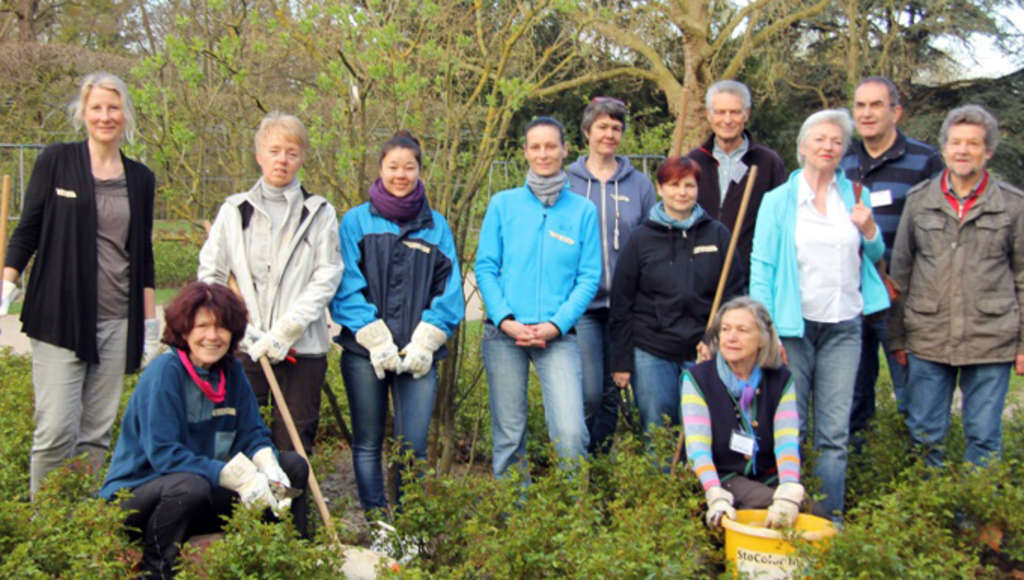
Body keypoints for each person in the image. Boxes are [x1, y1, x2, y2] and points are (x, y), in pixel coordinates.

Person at [1, 72, 158, 496]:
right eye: (97, 108)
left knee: (95, 434)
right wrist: (8, 283)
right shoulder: (56, 161)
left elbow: (142, 255)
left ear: (125, 114)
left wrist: (149, 325)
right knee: (54, 431)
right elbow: (27, 229)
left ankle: (82, 525)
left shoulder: (140, 178)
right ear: (82, 113)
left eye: (113, 107)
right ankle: (45, 526)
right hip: (58, 315)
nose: (105, 116)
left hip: (115, 319)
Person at [100, 281, 309, 579]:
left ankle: (292, 560)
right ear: (184, 330)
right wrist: (240, 477)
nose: (212, 336)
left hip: (199, 493)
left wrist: (268, 467)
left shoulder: (231, 371)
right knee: (189, 484)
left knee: (293, 467)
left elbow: (252, 432)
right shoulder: (165, 373)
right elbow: (165, 456)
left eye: (222, 327)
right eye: (202, 326)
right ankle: (156, 569)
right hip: (144, 499)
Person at [750, 108, 890, 521]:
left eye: (836, 142)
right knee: (793, 427)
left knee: (834, 432)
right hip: (793, 329)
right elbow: (762, 266)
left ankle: (829, 520)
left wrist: (870, 231)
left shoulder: (855, 196)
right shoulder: (779, 201)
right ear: (801, 148)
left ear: (843, 151)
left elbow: (875, 256)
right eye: (820, 140)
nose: (828, 147)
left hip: (844, 326)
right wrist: (766, 329)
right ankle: (788, 513)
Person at [329, 131, 464, 514]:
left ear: (420, 171)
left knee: (413, 445)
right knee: (368, 442)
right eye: (393, 167)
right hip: (363, 354)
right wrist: (374, 337)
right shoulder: (355, 222)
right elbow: (345, 285)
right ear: (380, 169)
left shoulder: (437, 227)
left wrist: (425, 341)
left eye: (409, 167)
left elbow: (450, 289)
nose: (400, 174)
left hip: (417, 358)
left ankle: (411, 525)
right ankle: (379, 524)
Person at [198, 112, 343, 455]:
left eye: (291, 152)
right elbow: (211, 274)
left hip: (301, 349)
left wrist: (286, 331)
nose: (282, 160)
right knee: (238, 437)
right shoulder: (234, 211)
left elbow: (328, 275)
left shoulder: (320, 213)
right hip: (244, 347)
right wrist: (241, 327)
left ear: (302, 158)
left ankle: (294, 509)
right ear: (259, 154)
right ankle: (244, 509)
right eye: (275, 150)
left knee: (294, 440)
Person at [889, 104, 1024, 467]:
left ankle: (977, 519)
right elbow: (900, 272)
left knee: (983, 436)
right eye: (956, 142)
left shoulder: (1012, 206)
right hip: (928, 336)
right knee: (924, 434)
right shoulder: (920, 201)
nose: (963, 150)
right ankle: (930, 519)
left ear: (988, 151)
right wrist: (898, 337)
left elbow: (1023, 278)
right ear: (944, 148)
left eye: (973, 143)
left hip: (990, 339)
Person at [475, 116, 601, 478]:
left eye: (551, 146)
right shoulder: (503, 204)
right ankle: (517, 522)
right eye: (535, 147)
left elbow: (589, 276)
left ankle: (573, 520)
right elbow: (485, 267)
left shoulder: (583, 211)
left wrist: (556, 324)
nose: (543, 154)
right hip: (504, 335)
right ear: (525, 152)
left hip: (557, 337)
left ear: (565, 150)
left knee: (570, 432)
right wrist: (505, 319)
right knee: (509, 435)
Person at [609, 156, 742, 437]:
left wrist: (715, 339)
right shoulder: (640, 238)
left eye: (689, 185)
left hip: (702, 349)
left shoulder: (716, 235)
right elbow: (622, 302)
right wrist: (620, 361)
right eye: (674, 185)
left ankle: (700, 480)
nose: (682, 192)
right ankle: (658, 481)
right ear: (660, 188)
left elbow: (733, 295)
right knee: (658, 428)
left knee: (703, 429)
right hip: (652, 349)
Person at [840, 76, 944, 437]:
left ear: (896, 112)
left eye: (876, 105)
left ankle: (917, 475)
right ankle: (861, 475)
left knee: (912, 393)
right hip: (848, 296)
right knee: (853, 396)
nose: (866, 113)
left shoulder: (925, 160)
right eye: (860, 105)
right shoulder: (840, 159)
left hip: (899, 298)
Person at [682, 297, 824, 530]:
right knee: (765, 503)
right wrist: (714, 493)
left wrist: (788, 489)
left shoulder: (781, 379)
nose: (731, 337)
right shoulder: (698, 379)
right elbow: (698, 449)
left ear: (762, 338)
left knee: (814, 515)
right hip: (721, 478)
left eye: (742, 330)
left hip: (768, 477)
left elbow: (787, 442)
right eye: (725, 329)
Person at [567, 96, 657, 454]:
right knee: (590, 391)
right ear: (587, 132)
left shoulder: (639, 185)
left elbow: (652, 238)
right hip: (584, 305)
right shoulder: (567, 182)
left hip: (627, 307)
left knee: (612, 390)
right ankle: (581, 461)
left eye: (616, 128)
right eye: (602, 127)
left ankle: (601, 467)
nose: (609, 134)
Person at [687, 80, 787, 289]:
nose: (727, 120)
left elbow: (782, 221)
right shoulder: (693, 162)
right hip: (700, 277)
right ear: (709, 115)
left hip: (750, 279)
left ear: (746, 114)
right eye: (720, 112)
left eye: (734, 112)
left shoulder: (767, 162)